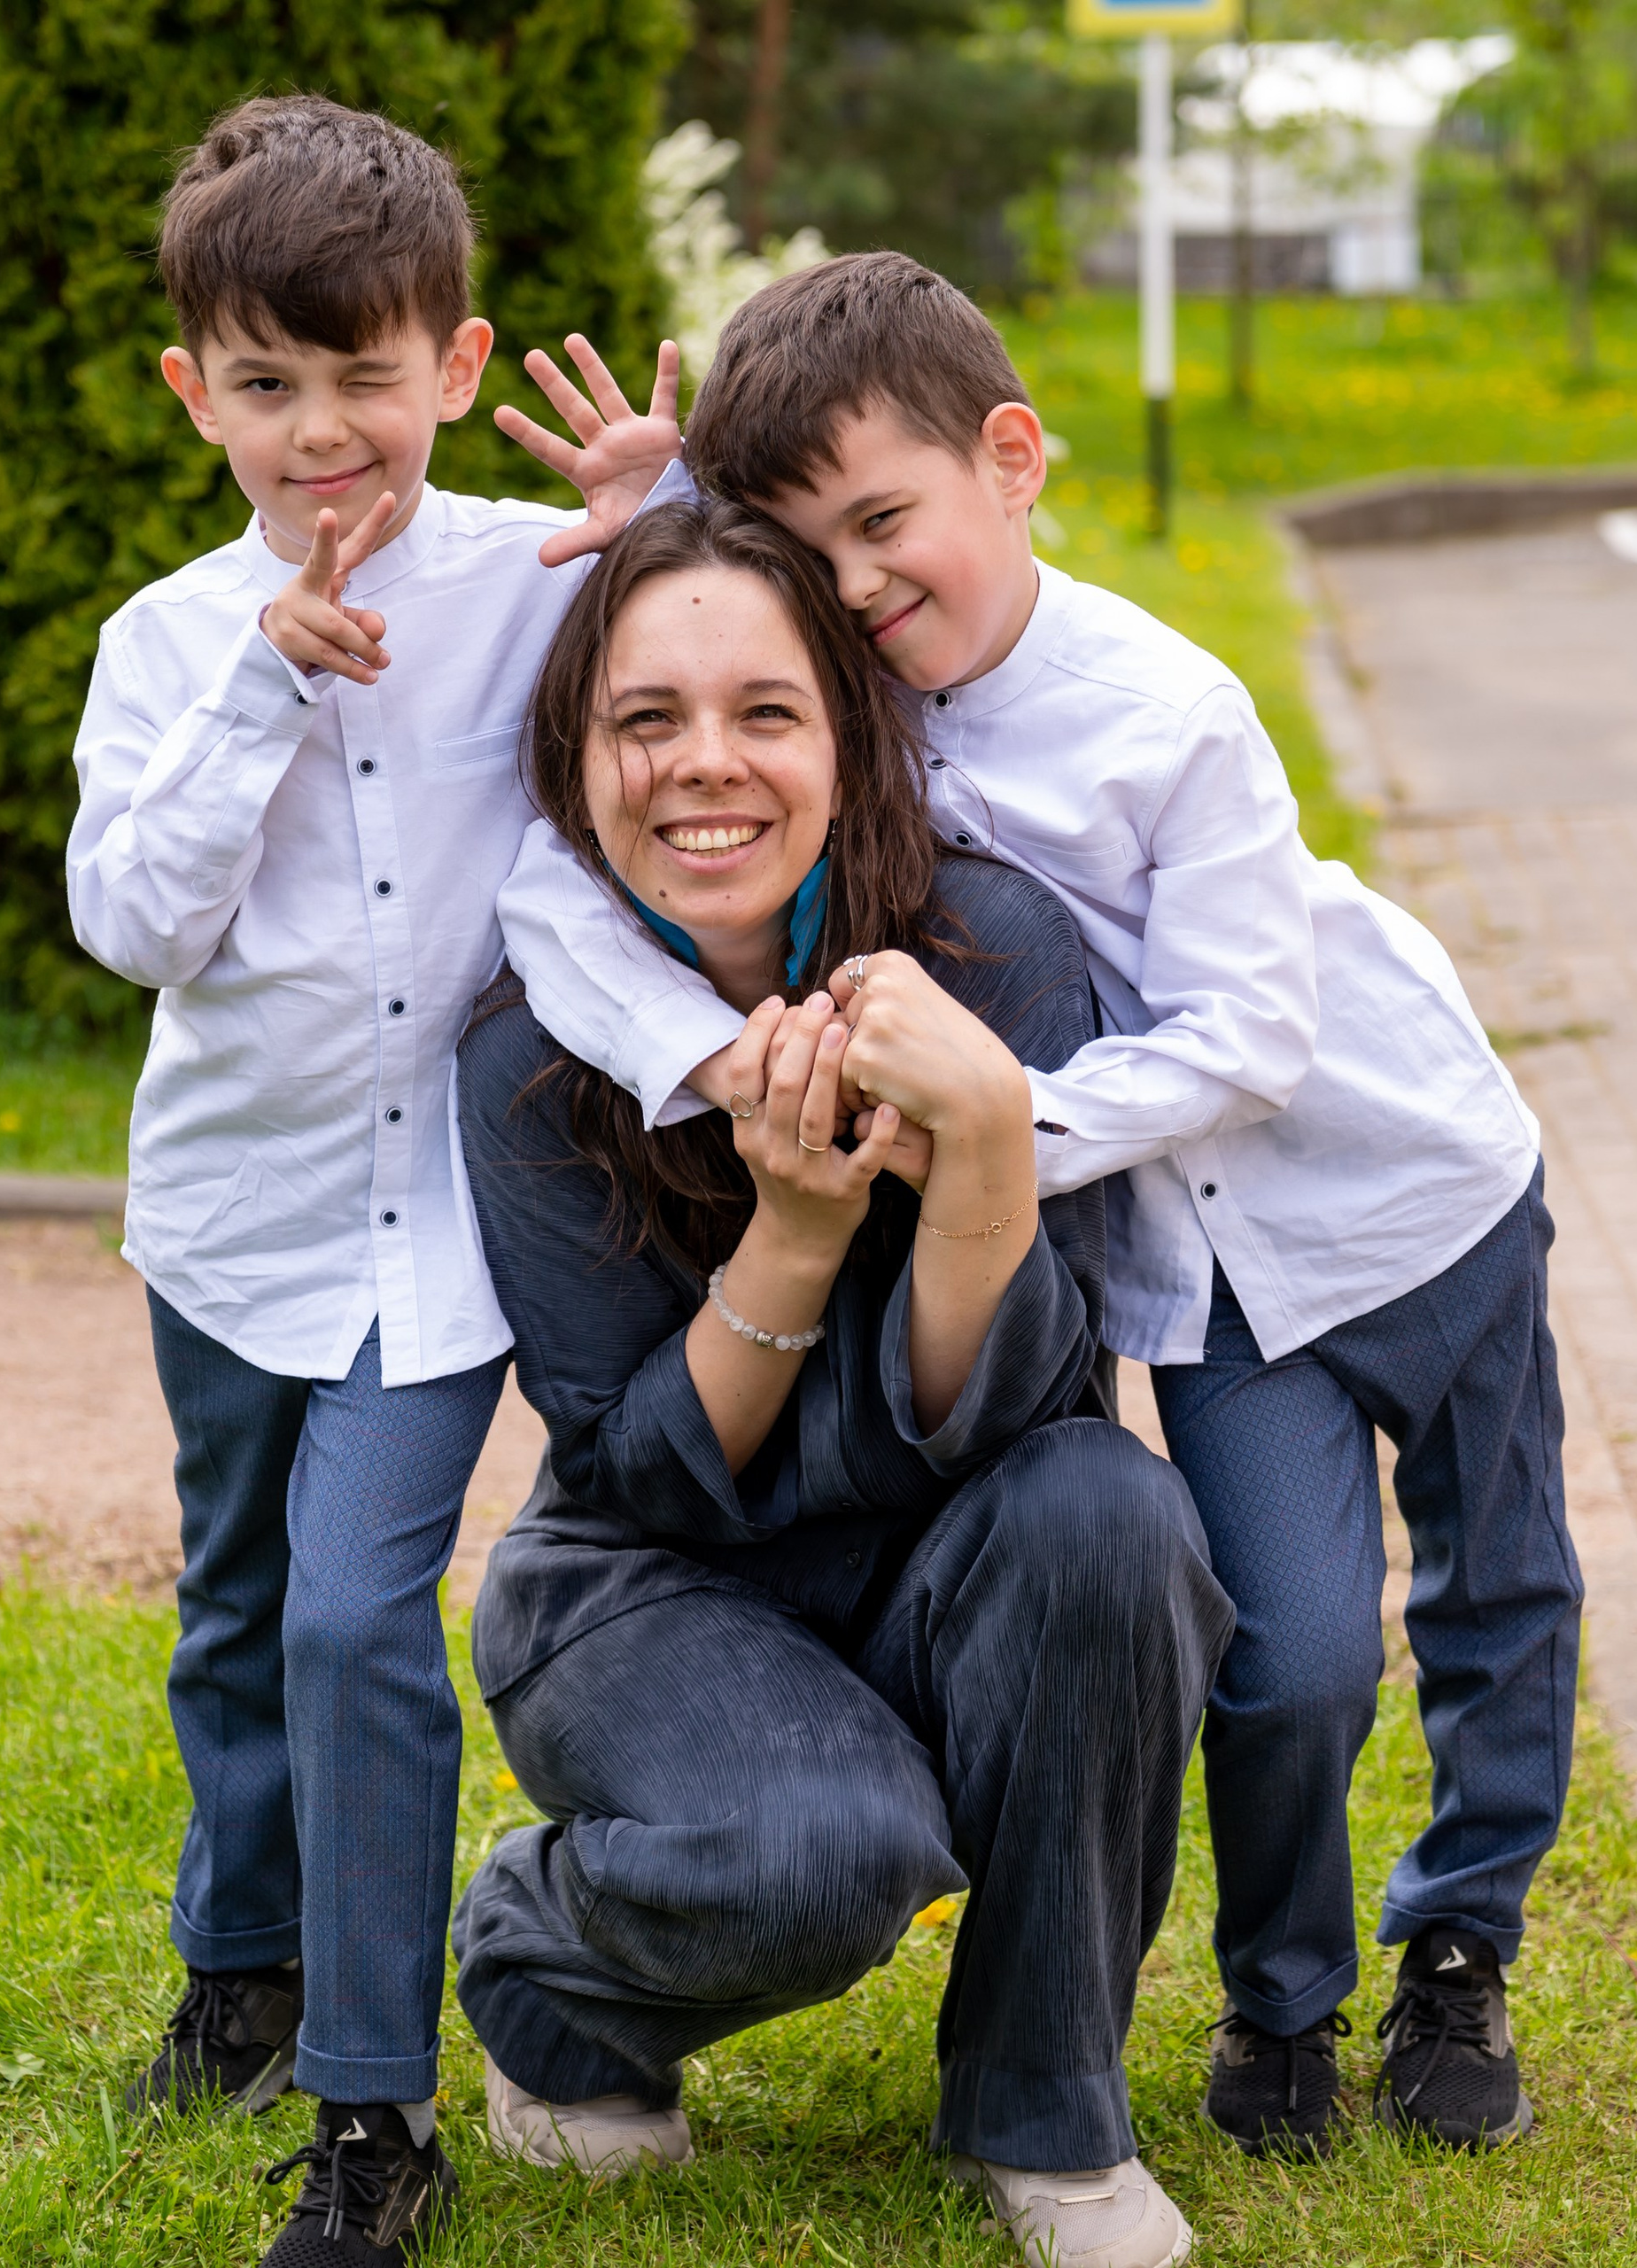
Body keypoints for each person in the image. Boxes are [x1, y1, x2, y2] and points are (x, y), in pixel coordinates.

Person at [500, 252, 1581, 2159]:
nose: (852, 586)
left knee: (1498, 1581)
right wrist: (668, 526)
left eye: (883, 527)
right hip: (1209, 1262)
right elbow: (622, 800)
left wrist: (985, 1128)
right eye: (808, 551)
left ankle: (1459, 1943)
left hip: (1406, 1182)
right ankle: (1281, 2001)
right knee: (1292, 1649)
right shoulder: (853, 691)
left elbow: (1251, 1035)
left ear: (1013, 457)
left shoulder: (1167, 703)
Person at [453, 497, 1232, 2268]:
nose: (701, 767)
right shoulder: (525, 1051)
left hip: (954, 1536)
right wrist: (792, 1226)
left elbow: (1023, 1406)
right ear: (574, 764)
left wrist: (981, 1149)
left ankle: (1045, 2114)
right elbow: (638, 1470)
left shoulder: (992, 955)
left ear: (848, 733)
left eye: (764, 711)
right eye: (644, 718)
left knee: (1112, 1515)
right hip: (653, 1583)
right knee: (822, 1846)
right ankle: (543, 1964)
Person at [64, 95, 684, 2265]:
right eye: (264, 385)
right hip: (232, 1223)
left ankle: (367, 2102)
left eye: (364, 377)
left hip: (448, 1233)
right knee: (237, 1602)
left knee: (353, 1618)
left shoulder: (535, 573)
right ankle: (238, 1954)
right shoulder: (164, 643)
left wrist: (664, 510)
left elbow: (740, 676)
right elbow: (136, 925)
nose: (321, 431)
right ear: (193, 392)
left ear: (450, 357)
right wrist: (253, 693)